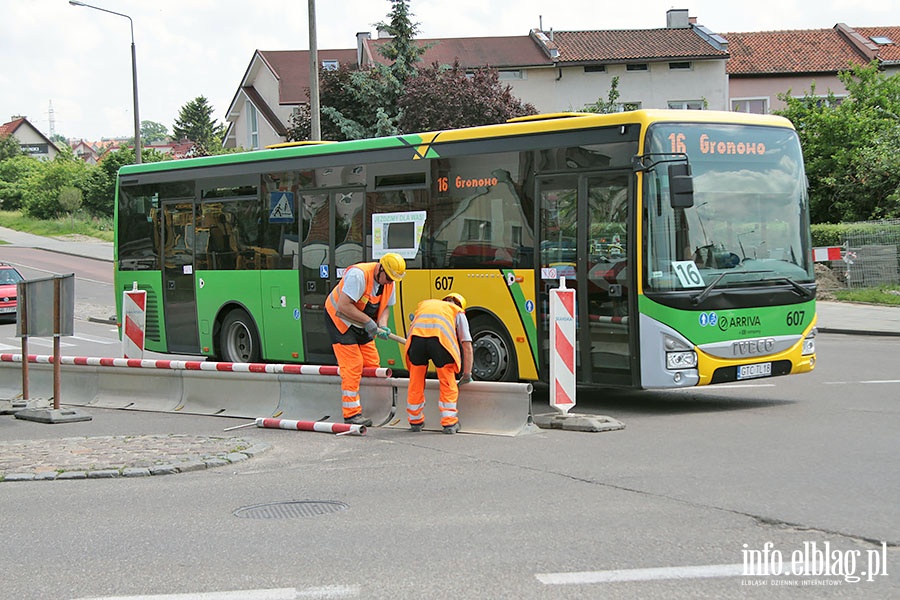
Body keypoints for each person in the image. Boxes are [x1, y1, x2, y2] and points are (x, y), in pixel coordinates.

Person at [325, 253, 406, 426]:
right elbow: (343, 305)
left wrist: (382, 325)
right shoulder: (359, 275)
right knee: (353, 365)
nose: (390, 282)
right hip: (340, 320)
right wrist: (369, 322)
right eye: (389, 278)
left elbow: (385, 308)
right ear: (380, 268)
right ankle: (352, 413)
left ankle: (375, 407)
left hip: (361, 322)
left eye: (393, 279)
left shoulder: (390, 283)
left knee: (372, 364)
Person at [404, 292, 474, 434]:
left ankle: (415, 421)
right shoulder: (458, 312)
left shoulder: (425, 305)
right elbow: (466, 345)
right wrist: (467, 374)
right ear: (460, 305)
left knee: (416, 381)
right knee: (447, 381)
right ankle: (449, 423)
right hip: (440, 343)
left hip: (416, 341)